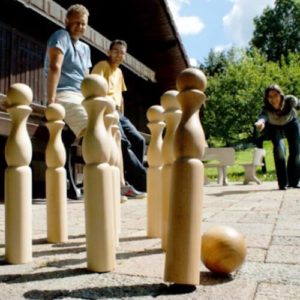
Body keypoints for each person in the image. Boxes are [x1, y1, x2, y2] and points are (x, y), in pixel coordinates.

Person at [92, 40, 147, 196]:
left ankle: (133, 179)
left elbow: (120, 96)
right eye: (115, 51)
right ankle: (144, 181)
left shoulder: (120, 73)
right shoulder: (102, 66)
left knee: (139, 140)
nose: (118, 55)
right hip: (106, 110)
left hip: (119, 113)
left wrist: (122, 114)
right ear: (109, 52)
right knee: (123, 143)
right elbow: (94, 88)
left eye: (122, 52)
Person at [255, 84, 300, 190]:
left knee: (296, 151)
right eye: (270, 97)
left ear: (281, 94)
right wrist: (260, 123)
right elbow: (262, 118)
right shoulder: (266, 109)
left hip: (290, 123)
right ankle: (283, 183)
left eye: (275, 95)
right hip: (274, 126)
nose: (273, 99)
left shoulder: (290, 100)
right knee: (279, 151)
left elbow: (298, 104)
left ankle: (294, 182)